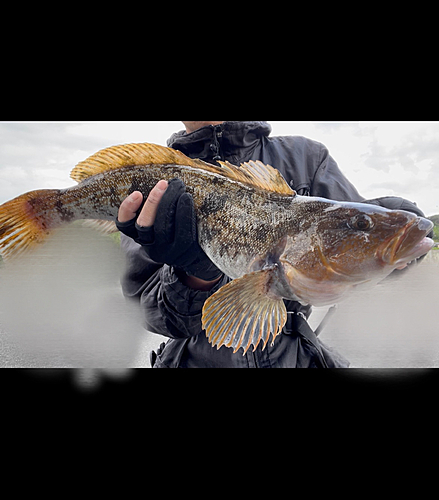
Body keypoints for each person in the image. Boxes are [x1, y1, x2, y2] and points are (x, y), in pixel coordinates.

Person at [116, 121, 429, 368]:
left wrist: (396, 228)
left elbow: (354, 246)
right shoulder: (151, 183)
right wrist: (194, 273)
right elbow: (146, 310)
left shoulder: (306, 158)